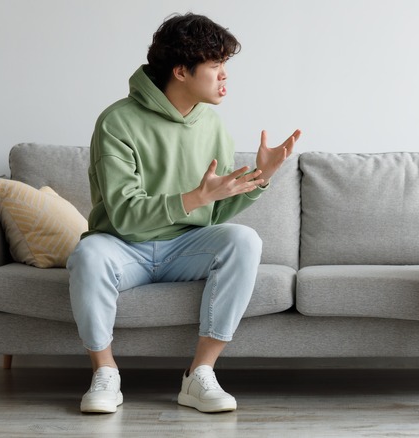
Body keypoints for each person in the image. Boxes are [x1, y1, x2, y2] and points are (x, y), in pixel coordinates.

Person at [67, 12, 301, 414]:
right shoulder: (116, 122)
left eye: (225, 66)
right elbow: (124, 214)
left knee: (244, 239)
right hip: (123, 246)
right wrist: (193, 197)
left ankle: (200, 375)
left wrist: (261, 178)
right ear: (180, 71)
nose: (225, 77)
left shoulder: (212, 125)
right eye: (215, 67)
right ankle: (105, 373)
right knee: (87, 255)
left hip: (184, 247)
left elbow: (214, 211)